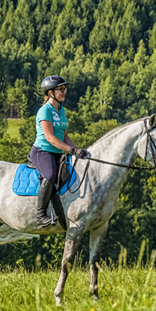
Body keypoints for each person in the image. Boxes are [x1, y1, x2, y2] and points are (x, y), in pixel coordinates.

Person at [30, 76, 89, 228]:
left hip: (58, 151)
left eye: (64, 89)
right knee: (49, 176)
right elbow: (50, 137)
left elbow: (64, 135)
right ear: (51, 92)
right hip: (43, 151)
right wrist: (70, 150)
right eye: (61, 89)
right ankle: (40, 215)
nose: (64, 92)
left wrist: (77, 150)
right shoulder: (45, 111)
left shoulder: (61, 110)